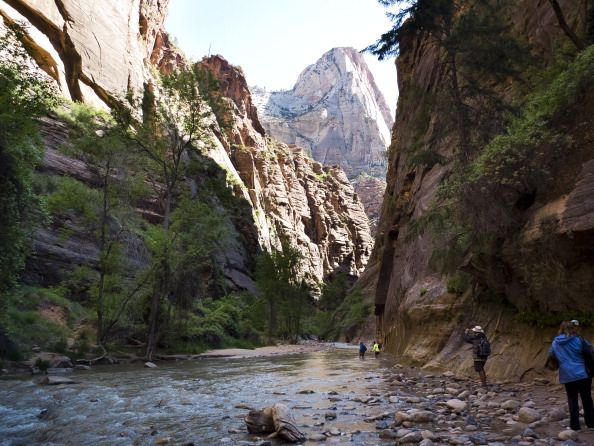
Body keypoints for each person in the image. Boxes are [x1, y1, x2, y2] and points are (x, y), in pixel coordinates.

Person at [549, 320, 594, 431]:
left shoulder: (555, 342)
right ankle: (591, 424)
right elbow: (591, 350)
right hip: (582, 373)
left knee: (572, 399)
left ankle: (575, 426)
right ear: (573, 328)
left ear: (561, 329)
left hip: (567, 375)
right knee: (587, 398)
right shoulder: (579, 340)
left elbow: (551, 354)